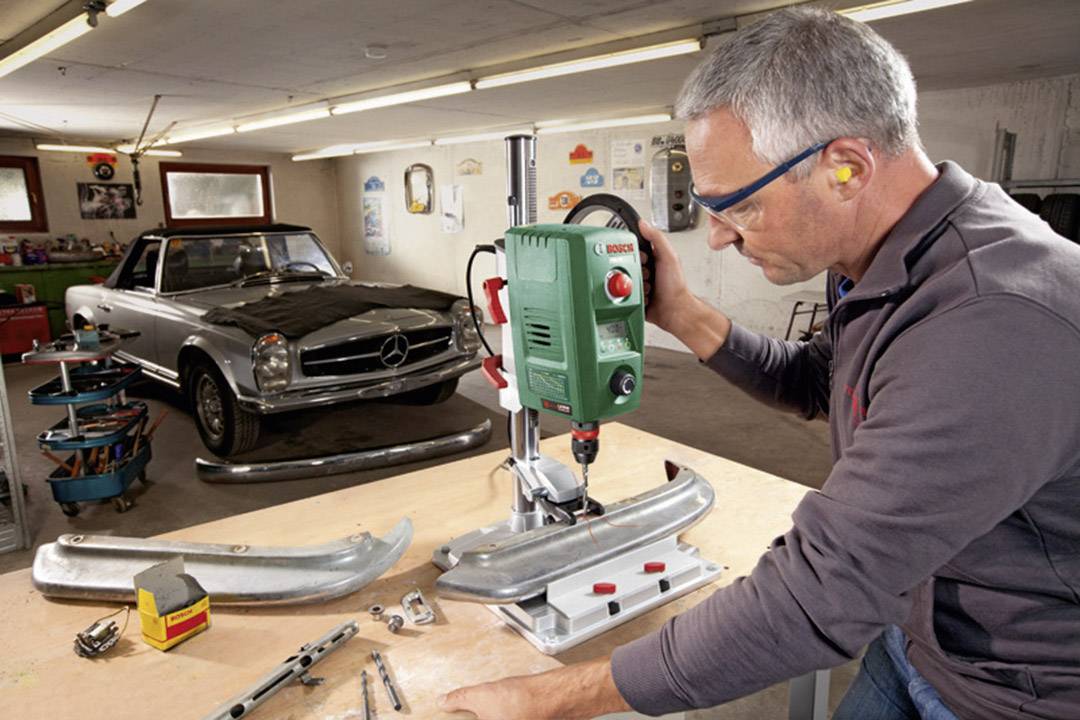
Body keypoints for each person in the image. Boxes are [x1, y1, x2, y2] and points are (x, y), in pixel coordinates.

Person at [439, 7, 1080, 719]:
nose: (715, 238)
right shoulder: (893, 256)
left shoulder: (993, 325)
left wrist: (548, 698)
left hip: (1021, 696)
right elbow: (817, 382)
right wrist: (679, 312)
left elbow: (819, 596)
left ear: (846, 167)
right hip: (921, 644)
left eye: (735, 206)